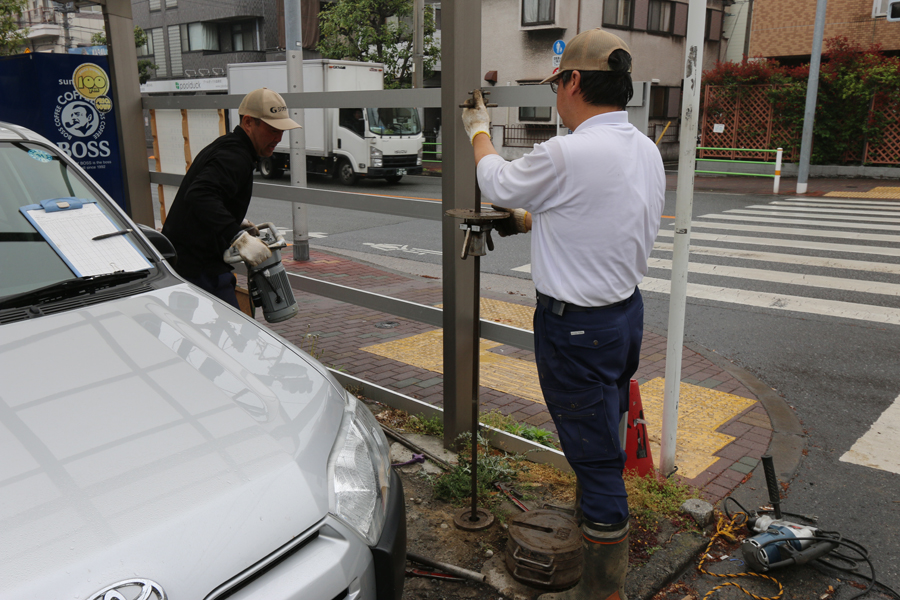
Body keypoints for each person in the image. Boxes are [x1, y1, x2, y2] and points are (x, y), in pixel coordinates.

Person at [461, 29, 665, 600]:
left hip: (575, 328)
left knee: (596, 459)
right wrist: (535, 221)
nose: (555, 95)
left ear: (574, 81)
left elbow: (497, 181)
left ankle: (602, 591)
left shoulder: (569, 151)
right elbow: (614, 217)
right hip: (624, 316)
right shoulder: (644, 149)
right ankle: (598, 529)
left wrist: (478, 131)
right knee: (606, 431)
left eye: (556, 84)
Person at [162, 88, 301, 308]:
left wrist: (236, 222)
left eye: (282, 130)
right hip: (198, 268)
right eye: (273, 129)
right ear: (248, 122)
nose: (278, 137)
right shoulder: (234, 156)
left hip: (188, 261)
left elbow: (211, 194)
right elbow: (200, 194)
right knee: (231, 327)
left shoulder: (231, 147)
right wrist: (237, 235)